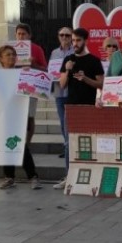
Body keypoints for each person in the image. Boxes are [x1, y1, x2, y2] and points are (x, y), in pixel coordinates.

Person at [58, 27, 105, 189]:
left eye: (78, 40)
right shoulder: (68, 60)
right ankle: (68, 176)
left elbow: (102, 84)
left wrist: (85, 79)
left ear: (86, 40)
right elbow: (62, 85)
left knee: (89, 141)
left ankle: (90, 175)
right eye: (73, 40)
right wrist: (67, 69)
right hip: (71, 107)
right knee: (68, 143)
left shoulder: (94, 60)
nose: (74, 43)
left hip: (88, 107)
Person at [0, 45, 42, 190]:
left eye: (13, 55)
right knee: (7, 146)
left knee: (20, 146)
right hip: (3, 117)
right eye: (7, 55)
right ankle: (9, 177)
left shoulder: (23, 74)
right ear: (0, 58)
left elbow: (34, 92)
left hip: (19, 116)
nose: (11, 57)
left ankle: (33, 177)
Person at [15, 23, 46, 149]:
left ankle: (27, 145)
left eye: (24, 34)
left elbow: (45, 69)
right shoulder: (10, 48)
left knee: (29, 117)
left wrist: (34, 64)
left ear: (29, 35)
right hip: (14, 86)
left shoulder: (37, 49)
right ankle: (17, 143)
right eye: (19, 34)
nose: (21, 36)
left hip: (31, 87)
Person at [50, 27, 74, 161]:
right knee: (62, 121)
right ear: (58, 36)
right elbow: (51, 70)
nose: (64, 37)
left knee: (70, 121)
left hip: (72, 91)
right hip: (59, 91)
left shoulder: (75, 51)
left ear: (71, 37)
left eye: (67, 35)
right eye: (62, 35)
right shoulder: (54, 52)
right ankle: (67, 147)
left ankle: (71, 148)